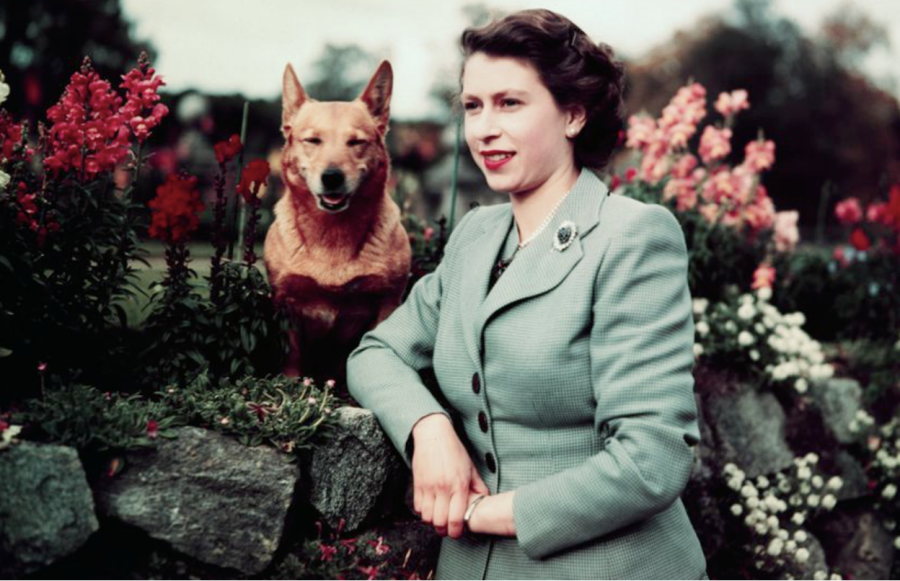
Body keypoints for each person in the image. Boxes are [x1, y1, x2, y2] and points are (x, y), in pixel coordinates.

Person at [347, 8, 708, 580]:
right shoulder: (475, 236)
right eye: (472, 106)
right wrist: (429, 429)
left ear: (572, 114)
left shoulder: (632, 235)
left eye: (510, 103)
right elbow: (377, 353)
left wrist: (487, 511)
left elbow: (653, 459)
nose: (484, 128)